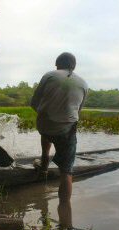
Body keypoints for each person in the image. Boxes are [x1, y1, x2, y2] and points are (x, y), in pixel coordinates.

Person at [31, 52, 88, 215]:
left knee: (47, 129)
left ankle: (44, 165)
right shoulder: (84, 83)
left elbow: (34, 102)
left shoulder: (49, 75)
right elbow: (79, 110)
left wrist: (44, 115)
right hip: (65, 131)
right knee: (66, 171)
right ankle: (64, 210)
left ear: (58, 64)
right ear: (73, 66)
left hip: (44, 126)